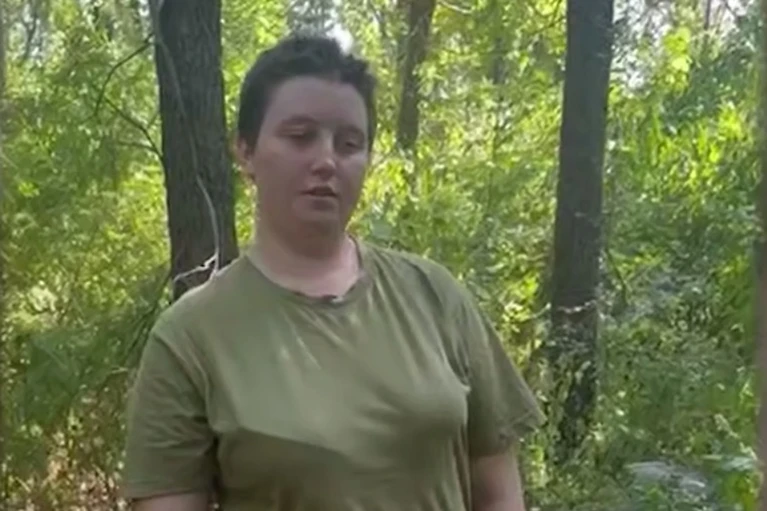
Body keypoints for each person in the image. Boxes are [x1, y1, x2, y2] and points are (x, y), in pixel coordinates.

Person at [122, 34, 544, 511]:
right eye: (300, 136)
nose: (326, 161)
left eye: (349, 144)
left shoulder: (435, 296)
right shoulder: (191, 338)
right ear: (245, 151)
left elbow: (498, 487)